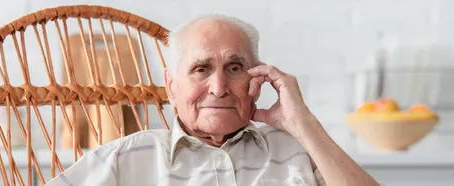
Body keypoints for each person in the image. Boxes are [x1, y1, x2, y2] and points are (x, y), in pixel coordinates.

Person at [46, 14, 379, 186]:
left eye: (234, 68)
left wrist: (303, 124)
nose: (219, 87)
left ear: (258, 79)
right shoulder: (127, 158)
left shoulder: (295, 151)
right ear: (171, 86)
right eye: (201, 69)